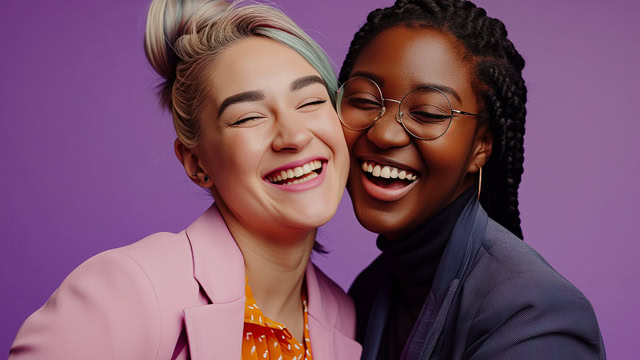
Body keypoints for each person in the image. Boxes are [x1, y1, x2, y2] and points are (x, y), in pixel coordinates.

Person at [9, 0, 361, 359]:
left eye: (311, 102)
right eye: (248, 118)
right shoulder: (130, 291)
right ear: (196, 163)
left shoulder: (344, 316)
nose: (295, 136)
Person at [337, 0, 606, 359]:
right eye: (364, 100)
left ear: (481, 145)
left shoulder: (535, 316)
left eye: (428, 112)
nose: (384, 133)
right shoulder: (370, 291)